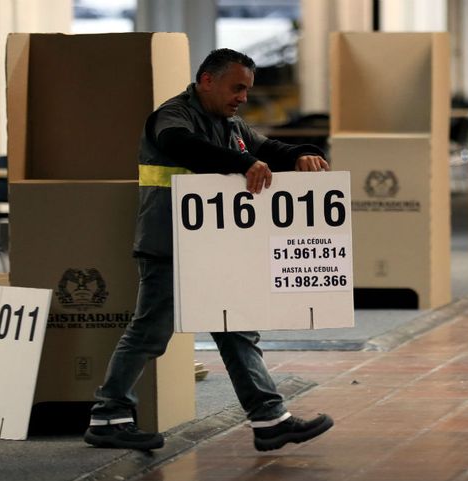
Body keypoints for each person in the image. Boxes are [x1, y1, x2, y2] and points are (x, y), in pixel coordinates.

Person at [84, 49, 334, 452]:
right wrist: (242, 162)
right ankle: (108, 416)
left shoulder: (231, 124)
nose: (243, 98)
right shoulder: (173, 116)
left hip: (216, 250)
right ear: (206, 81)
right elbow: (181, 145)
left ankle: (269, 419)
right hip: (170, 245)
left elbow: (269, 149)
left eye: (247, 90)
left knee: (238, 331)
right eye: (237, 88)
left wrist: (303, 154)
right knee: (150, 332)